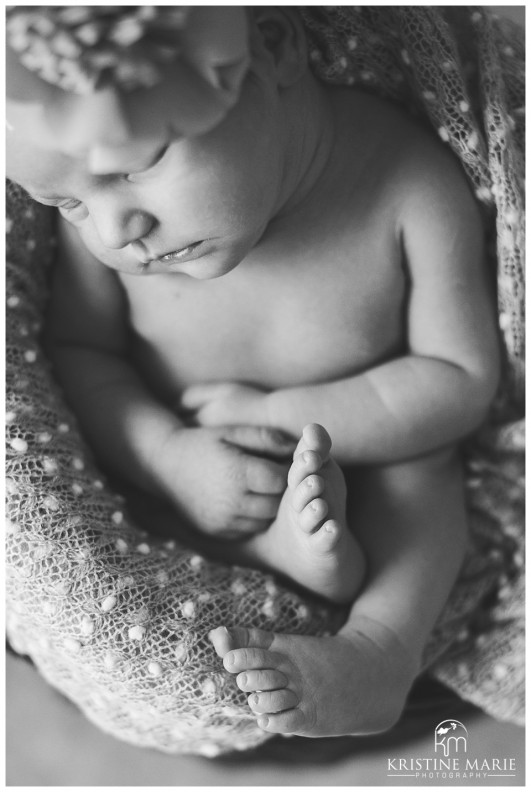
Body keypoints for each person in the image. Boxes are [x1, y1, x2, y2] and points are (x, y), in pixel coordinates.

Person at [6, 7, 500, 738]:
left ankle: (378, 651)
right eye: (68, 203)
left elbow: (456, 378)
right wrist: (168, 460)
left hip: (369, 441)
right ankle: (274, 550)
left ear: (272, 50)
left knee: (424, 477)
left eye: (136, 167)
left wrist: (280, 415)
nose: (114, 232)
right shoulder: (104, 239)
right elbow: (83, 357)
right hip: (189, 463)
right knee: (120, 513)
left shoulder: (401, 180)